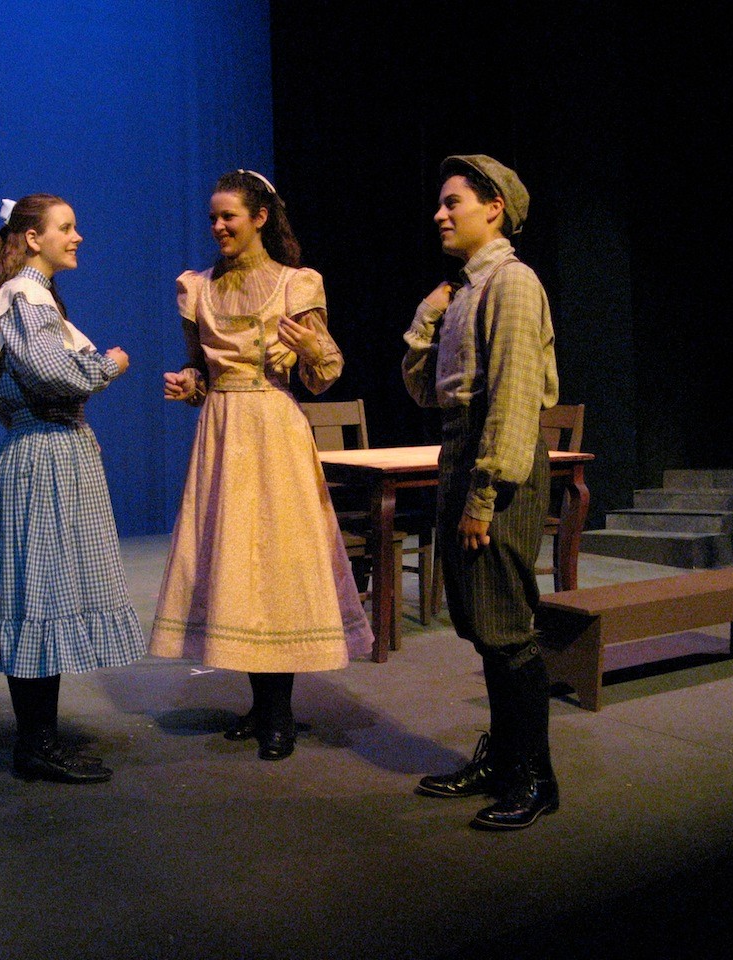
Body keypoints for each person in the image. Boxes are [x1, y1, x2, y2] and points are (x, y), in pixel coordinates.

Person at [150, 169, 373, 760]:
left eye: (229, 216)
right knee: (235, 569)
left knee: (274, 566)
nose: (219, 226)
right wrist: (190, 383)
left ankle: (280, 713)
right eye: (213, 218)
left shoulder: (297, 285)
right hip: (222, 434)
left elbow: (323, 375)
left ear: (260, 218)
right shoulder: (196, 287)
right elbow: (200, 368)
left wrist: (311, 348)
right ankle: (260, 706)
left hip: (274, 433)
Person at [0, 194, 146, 784]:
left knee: (46, 595)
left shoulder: (31, 298)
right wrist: (109, 365)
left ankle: (39, 740)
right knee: (39, 595)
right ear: (33, 238)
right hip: (45, 456)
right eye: (66, 227)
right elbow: (52, 373)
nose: (77, 236)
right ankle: (36, 744)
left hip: (52, 451)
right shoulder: (26, 296)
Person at [401, 155, 560, 830]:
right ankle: (504, 760)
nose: (440, 214)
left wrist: (484, 496)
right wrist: (424, 321)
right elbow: (424, 391)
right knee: (483, 625)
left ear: (494, 208)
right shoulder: (463, 291)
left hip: (497, 465)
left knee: (507, 625)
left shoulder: (512, 283)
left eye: (453, 202)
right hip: (460, 452)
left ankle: (534, 776)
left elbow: (515, 399)